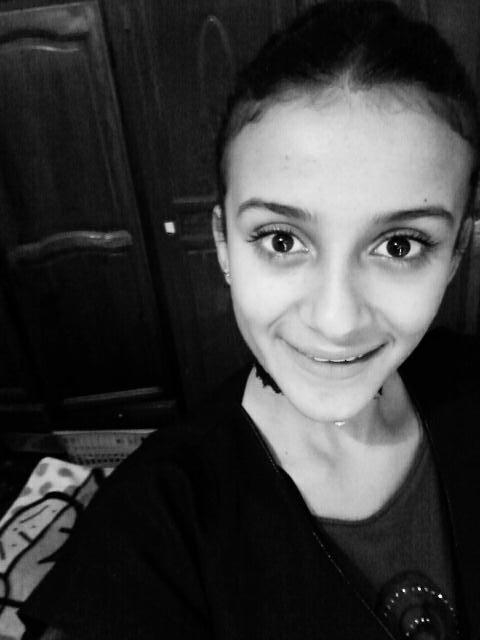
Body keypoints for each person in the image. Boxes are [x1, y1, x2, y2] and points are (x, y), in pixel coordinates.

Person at [19, 2, 480, 639]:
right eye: (282, 240)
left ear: (455, 253)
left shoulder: (470, 384)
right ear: (225, 246)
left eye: (399, 245)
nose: (336, 320)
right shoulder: (154, 527)